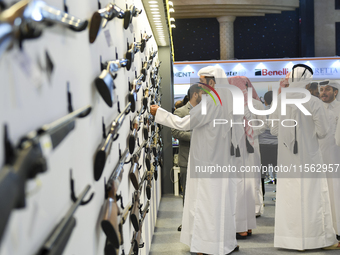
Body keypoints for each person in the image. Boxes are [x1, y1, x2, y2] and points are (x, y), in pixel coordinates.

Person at [150, 66, 239, 255]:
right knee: (222, 202)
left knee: (205, 203)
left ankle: (205, 245)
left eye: (201, 81)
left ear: (211, 82)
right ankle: (224, 242)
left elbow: (183, 123)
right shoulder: (229, 99)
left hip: (206, 161)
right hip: (222, 161)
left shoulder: (211, 101)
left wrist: (159, 113)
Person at [270, 64, 340, 250]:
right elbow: (324, 132)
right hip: (310, 158)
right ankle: (316, 239)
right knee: (313, 197)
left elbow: (274, 129)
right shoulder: (314, 102)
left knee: (289, 197)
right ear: (308, 81)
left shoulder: (279, 100)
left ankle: (288, 240)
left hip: (286, 160)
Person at [171, 84, 202, 232]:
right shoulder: (180, 112)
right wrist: (197, 136)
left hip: (203, 159)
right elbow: (176, 132)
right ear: (195, 94)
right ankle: (187, 222)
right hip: (187, 158)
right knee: (188, 193)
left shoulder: (206, 111)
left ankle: (200, 221)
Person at [317, 80, 340, 239]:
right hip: (317, 157)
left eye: (327, 89)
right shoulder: (316, 108)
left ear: (336, 92)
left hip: (335, 157)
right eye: (321, 90)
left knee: (335, 191)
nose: (323, 93)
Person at [258, 91, 278, 198]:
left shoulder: (261, 111)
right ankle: (280, 197)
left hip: (263, 146)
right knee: (279, 173)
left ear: (265, 101)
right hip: (277, 145)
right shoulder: (280, 111)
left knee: (261, 174)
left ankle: (262, 198)